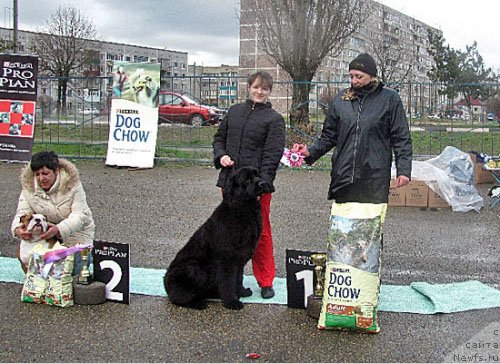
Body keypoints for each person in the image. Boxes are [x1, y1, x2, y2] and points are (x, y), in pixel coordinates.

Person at [293, 53, 412, 203]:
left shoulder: (389, 99)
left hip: (374, 176)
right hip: (344, 174)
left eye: (359, 76)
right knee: (342, 224)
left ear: (371, 76)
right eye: (351, 76)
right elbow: (329, 136)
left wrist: (404, 170)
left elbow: (401, 137)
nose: (354, 81)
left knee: (369, 223)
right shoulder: (340, 100)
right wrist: (310, 151)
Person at [213, 70, 285, 299]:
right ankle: (234, 281)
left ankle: (265, 280)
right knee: (231, 234)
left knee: (260, 233)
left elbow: (272, 155)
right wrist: (221, 155)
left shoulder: (274, 119)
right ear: (248, 87)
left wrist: (263, 183)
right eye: (256, 87)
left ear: (269, 91)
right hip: (232, 183)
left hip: (256, 187)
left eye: (264, 88)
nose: (259, 92)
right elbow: (218, 139)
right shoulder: (234, 112)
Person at [11, 151, 95, 275]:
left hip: (75, 234)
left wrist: (58, 229)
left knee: (72, 274)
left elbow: (80, 216)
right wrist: (18, 230)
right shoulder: (28, 186)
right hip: (44, 235)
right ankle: (34, 283)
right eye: (37, 174)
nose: (41, 178)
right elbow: (22, 212)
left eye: (45, 173)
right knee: (23, 255)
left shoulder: (73, 184)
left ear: (56, 171)